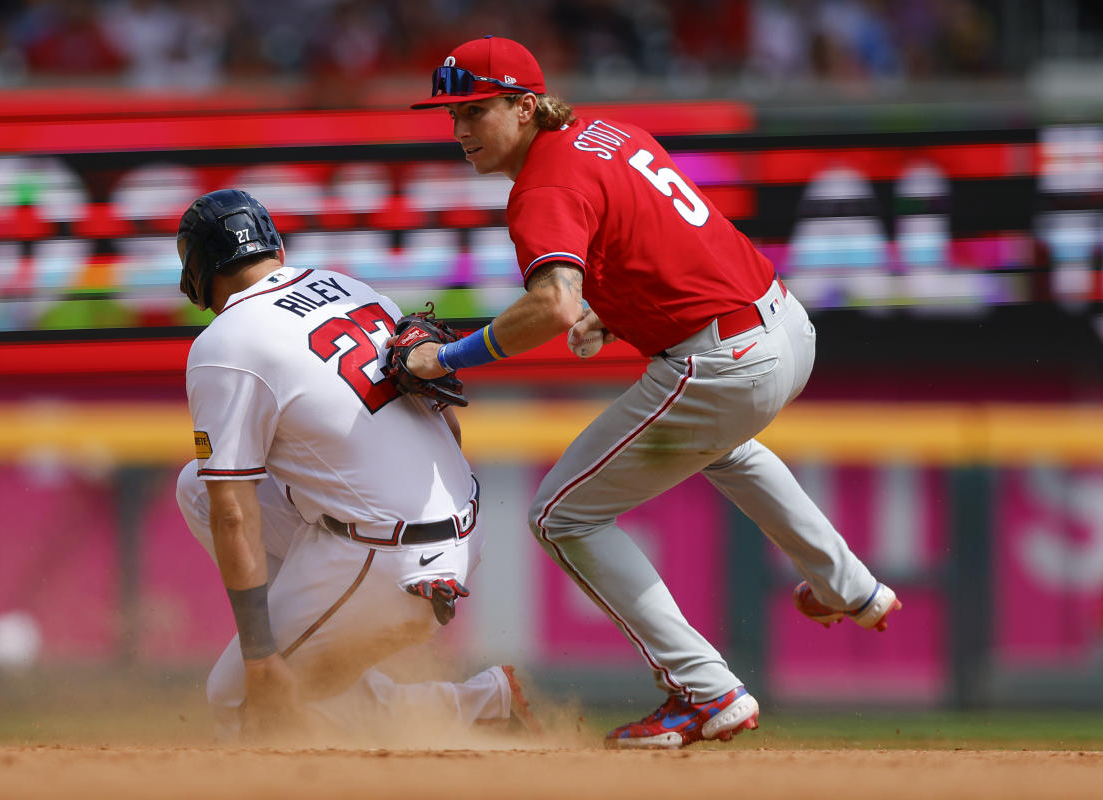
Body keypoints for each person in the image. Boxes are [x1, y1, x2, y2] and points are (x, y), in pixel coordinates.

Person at [406, 36, 901, 749]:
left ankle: (705, 691)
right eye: (451, 114)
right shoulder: (604, 132)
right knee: (724, 449)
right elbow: (665, 237)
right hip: (785, 326)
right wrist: (616, 314)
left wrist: (447, 356)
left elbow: (551, 306)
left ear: (523, 104)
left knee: (560, 517)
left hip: (724, 360)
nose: (458, 130)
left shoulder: (542, 186)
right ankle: (848, 587)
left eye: (476, 111)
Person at [173, 188, 539, 741]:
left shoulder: (225, 341)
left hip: (389, 560)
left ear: (198, 274)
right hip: (462, 525)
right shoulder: (349, 287)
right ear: (272, 244)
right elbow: (445, 418)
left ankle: (459, 706)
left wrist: (259, 652)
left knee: (243, 695)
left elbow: (234, 513)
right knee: (195, 484)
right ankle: (486, 702)